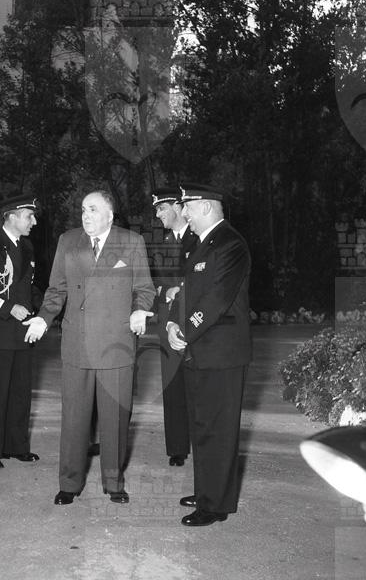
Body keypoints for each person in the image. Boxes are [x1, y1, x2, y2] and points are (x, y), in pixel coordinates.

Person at [24, 190, 155, 504]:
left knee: (115, 420)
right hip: (77, 343)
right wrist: (43, 317)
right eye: (83, 209)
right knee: (74, 419)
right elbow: (57, 289)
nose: (86, 215)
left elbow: (144, 288)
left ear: (110, 215)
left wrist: (140, 310)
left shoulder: (131, 241)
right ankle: (69, 483)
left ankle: (114, 482)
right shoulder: (69, 241)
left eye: (93, 209)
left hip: (116, 344)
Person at [167, 184, 251, 527]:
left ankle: (215, 505)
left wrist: (184, 330)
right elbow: (187, 292)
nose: (184, 213)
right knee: (202, 425)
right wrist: (173, 323)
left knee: (218, 429)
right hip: (200, 350)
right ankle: (207, 491)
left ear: (205, 207)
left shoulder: (230, 244)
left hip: (221, 353)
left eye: (187, 207)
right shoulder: (201, 243)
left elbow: (215, 300)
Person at [0, 195, 42, 470]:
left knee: (21, 393)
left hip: (23, 332)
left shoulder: (27, 246)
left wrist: (44, 311)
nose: (33, 221)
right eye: (28, 216)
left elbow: (29, 288)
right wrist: (9, 308)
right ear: (11, 216)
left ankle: (17, 446)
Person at [151, 188, 197, 468]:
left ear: (178, 207)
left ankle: (202, 443)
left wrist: (178, 291)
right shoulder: (162, 244)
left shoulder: (199, 236)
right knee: (173, 387)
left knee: (199, 386)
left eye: (162, 208)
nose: (158, 215)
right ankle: (177, 447)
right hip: (168, 321)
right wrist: (165, 294)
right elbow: (156, 284)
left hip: (196, 321)